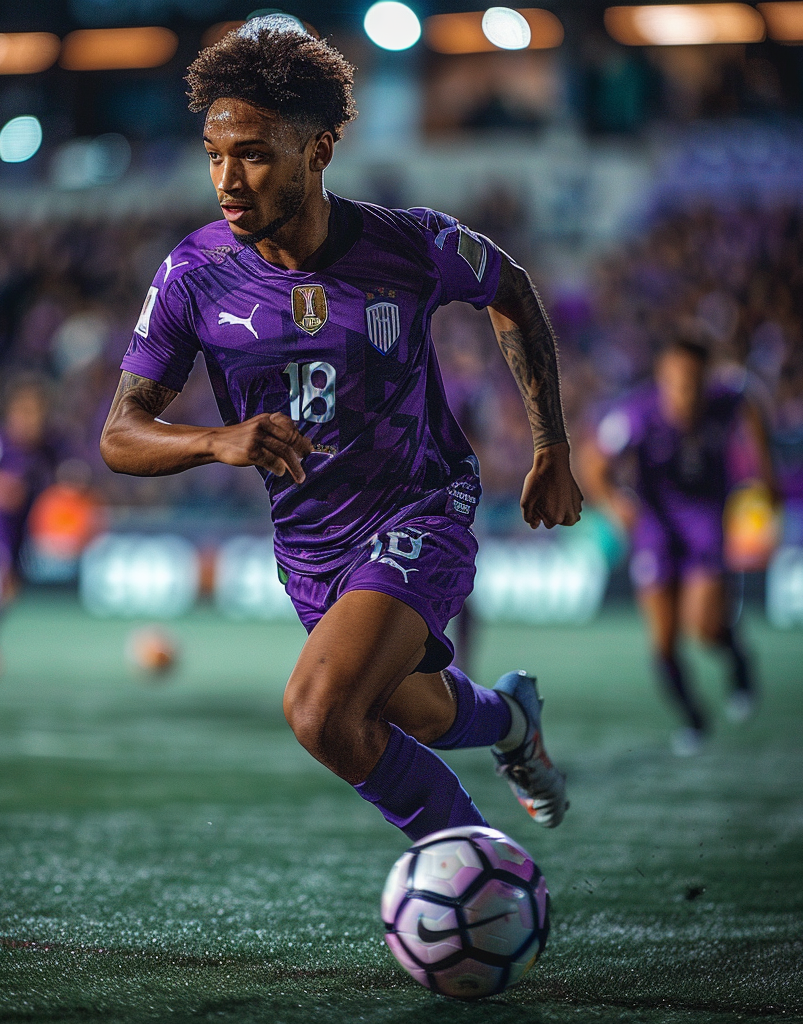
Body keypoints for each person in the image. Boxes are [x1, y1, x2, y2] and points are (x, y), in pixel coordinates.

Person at [100, 17, 583, 843]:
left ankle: (474, 870)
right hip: (311, 551)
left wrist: (552, 448)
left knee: (320, 712)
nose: (228, 179)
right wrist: (214, 439)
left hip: (420, 513)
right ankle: (512, 724)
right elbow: (121, 433)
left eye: (252, 153)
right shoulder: (193, 274)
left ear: (319, 151)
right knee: (422, 716)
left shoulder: (414, 245)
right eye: (215, 155)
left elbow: (513, 291)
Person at [582, 336, 776, 755]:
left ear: (707, 379)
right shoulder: (636, 413)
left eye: (693, 381)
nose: (684, 392)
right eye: (675, 381)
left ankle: (738, 659)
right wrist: (617, 506)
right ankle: (694, 720)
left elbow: (751, 399)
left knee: (704, 628)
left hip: (705, 518)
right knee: (664, 643)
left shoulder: (726, 401)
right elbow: (593, 461)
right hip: (655, 526)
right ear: (661, 379)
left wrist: (765, 467)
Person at [0, 380, 54, 680]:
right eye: (25, 413)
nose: (30, 421)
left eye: (36, 414)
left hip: (20, 527)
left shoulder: (44, 450)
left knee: (12, 590)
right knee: (6, 586)